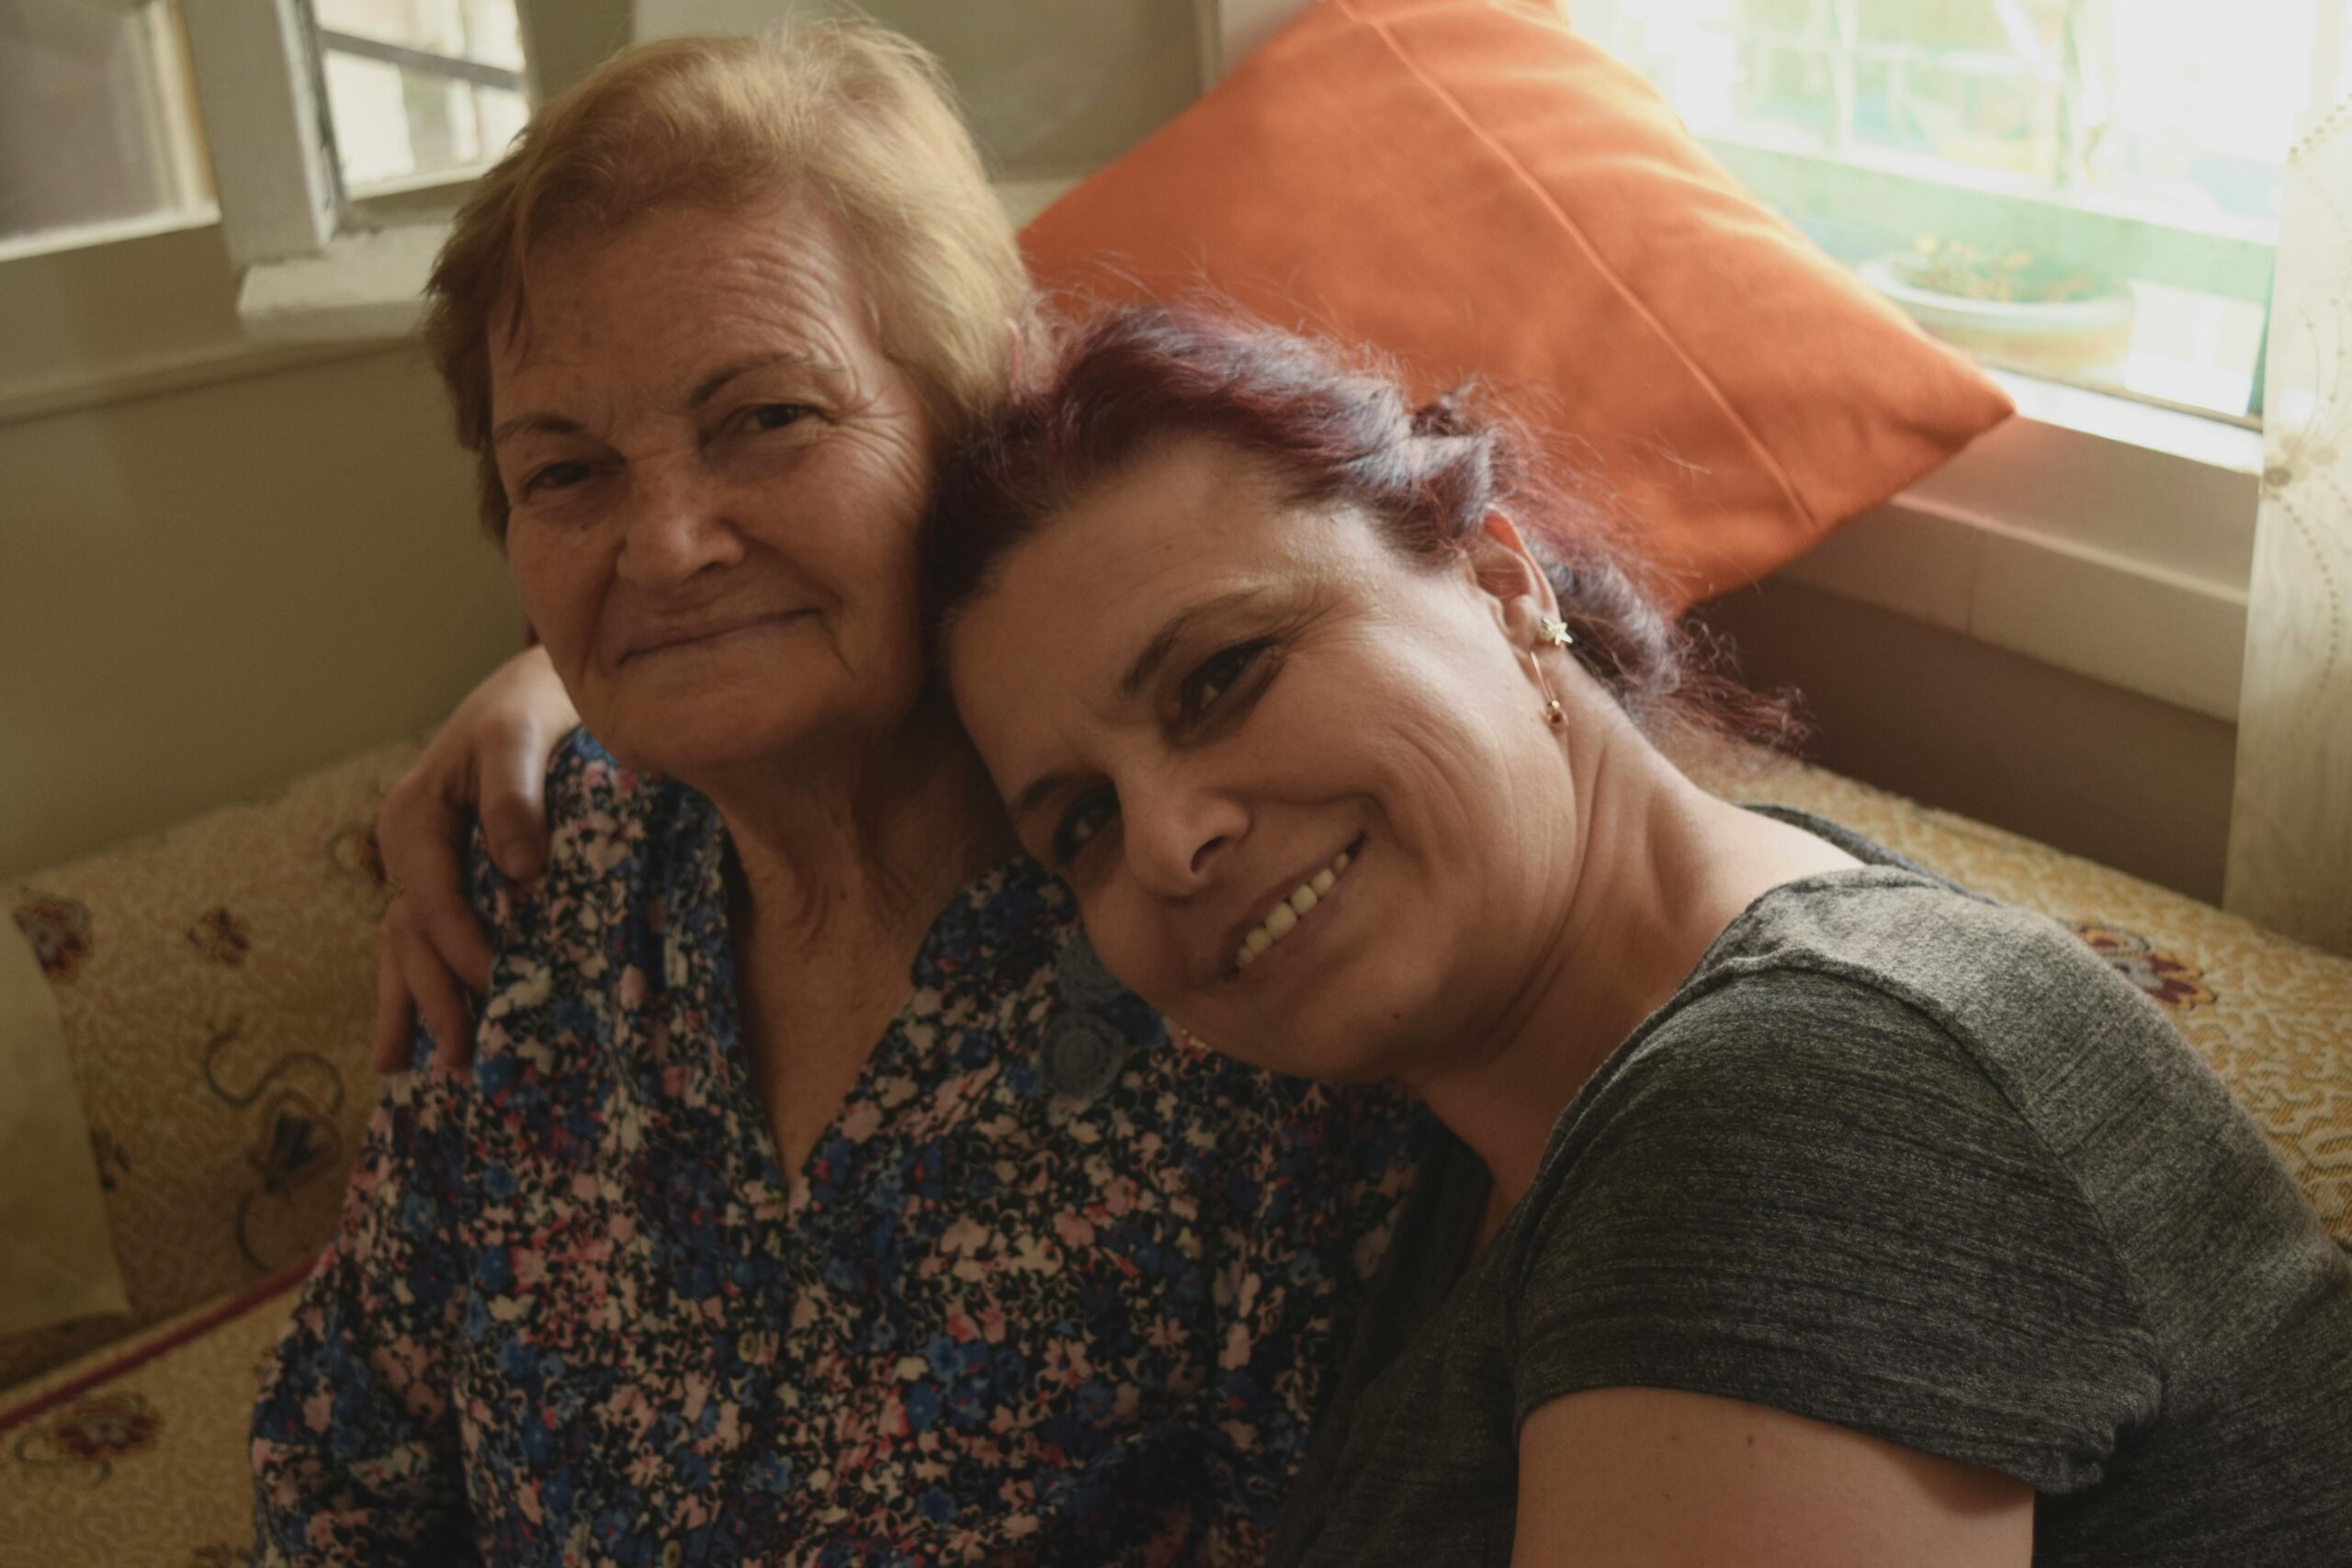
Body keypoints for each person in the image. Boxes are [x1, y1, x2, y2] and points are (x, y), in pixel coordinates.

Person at [918, 304, 2352, 1566]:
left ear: (1499, 584)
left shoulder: (1798, 1099)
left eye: (1221, 676)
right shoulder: (1488, 1143)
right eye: (1082, 827)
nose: (1166, 842)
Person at [249, 30, 1427, 1566]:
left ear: (976, 423)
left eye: (769, 418)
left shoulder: (1215, 925)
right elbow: (340, 1482)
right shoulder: (538, 877)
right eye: (568, 474)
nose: (664, 545)